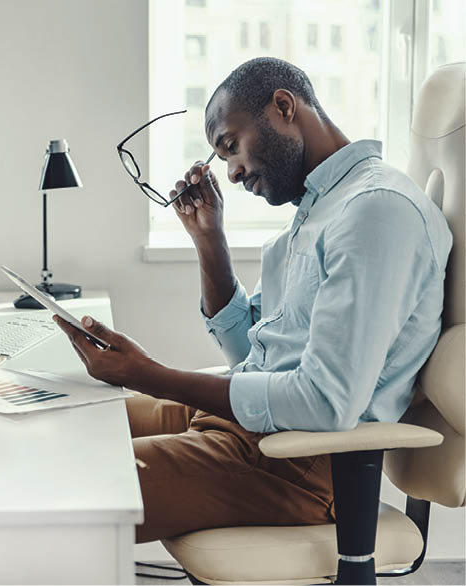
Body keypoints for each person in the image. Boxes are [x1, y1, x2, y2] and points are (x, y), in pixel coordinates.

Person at [53, 57, 453, 543]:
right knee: (62, 422)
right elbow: (253, 355)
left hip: (295, 460)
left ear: (283, 106)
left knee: (64, 487)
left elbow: (326, 404)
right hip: (246, 424)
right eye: (222, 158)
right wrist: (210, 243)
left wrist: (149, 375)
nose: (233, 172)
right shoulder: (320, 208)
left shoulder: (376, 211)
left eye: (231, 145)